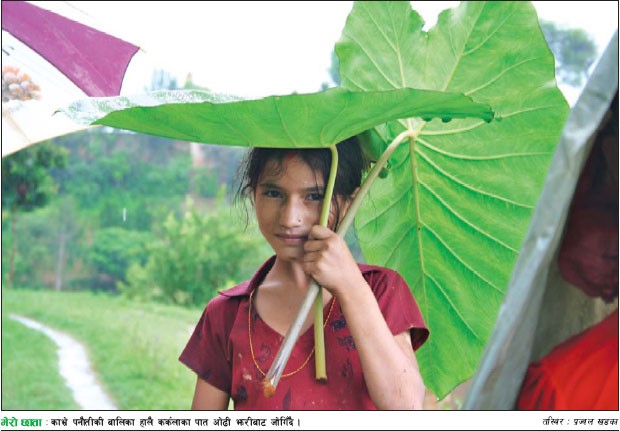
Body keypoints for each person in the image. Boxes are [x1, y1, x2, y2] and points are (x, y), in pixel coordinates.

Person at [179, 136, 429, 410]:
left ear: (349, 202)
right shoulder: (226, 314)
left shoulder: (382, 292)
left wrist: (350, 287)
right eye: (273, 193)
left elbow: (407, 406)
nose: (290, 219)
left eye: (314, 197)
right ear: (253, 194)